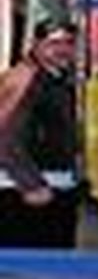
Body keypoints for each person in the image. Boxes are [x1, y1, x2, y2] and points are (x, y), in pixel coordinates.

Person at [0, 20, 82, 248]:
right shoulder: (25, 78)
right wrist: (31, 184)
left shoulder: (55, 77)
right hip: (27, 193)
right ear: (36, 44)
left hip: (53, 186)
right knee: (34, 271)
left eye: (69, 43)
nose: (63, 49)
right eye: (54, 42)